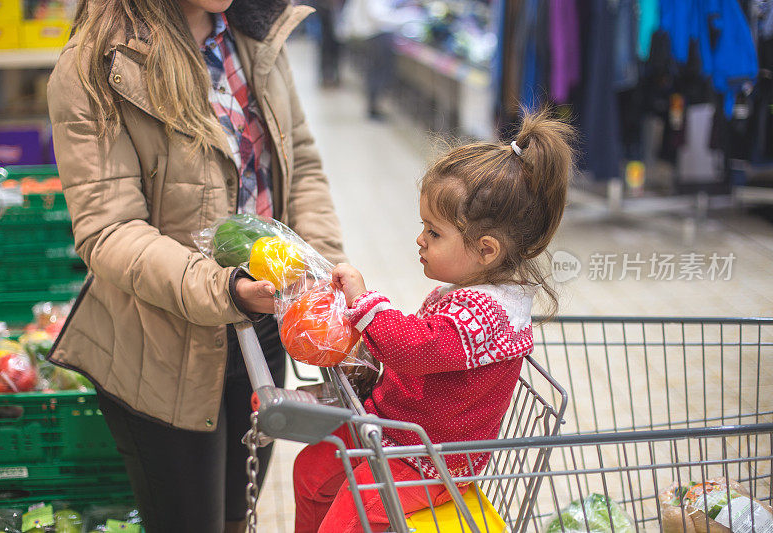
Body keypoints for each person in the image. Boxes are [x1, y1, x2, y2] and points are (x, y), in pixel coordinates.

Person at [45, 0, 345, 532]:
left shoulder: (254, 31)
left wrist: (326, 272)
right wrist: (225, 290)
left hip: (264, 330)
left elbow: (300, 162)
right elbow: (109, 230)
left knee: (236, 515)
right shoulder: (99, 64)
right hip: (162, 352)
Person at [293, 109, 574, 533]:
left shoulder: (483, 315)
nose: (420, 239)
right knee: (311, 470)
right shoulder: (467, 295)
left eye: (434, 232)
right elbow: (427, 346)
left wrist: (363, 299)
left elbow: (413, 349)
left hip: (428, 459)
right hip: (394, 432)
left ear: (486, 250)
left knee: (349, 517)